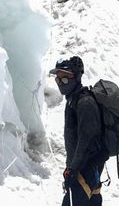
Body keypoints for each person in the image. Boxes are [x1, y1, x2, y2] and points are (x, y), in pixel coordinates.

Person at [51, 55, 105, 206]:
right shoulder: (73, 101)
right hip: (88, 169)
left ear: (77, 76)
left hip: (84, 170)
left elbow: (86, 141)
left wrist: (73, 171)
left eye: (65, 78)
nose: (61, 82)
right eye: (58, 79)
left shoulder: (84, 103)